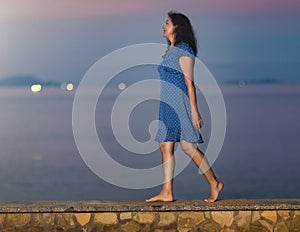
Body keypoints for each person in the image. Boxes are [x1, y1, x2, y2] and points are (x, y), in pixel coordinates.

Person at [146, 11, 224, 203]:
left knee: (188, 147)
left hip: (179, 105)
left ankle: (214, 182)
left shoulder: (184, 50)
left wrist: (195, 112)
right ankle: (167, 191)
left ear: (177, 27)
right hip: (166, 106)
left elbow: (190, 84)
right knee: (165, 146)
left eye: (167, 23)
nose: (163, 25)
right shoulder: (170, 50)